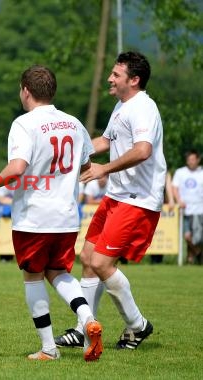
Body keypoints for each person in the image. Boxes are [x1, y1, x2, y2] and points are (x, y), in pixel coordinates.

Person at [0, 65, 102, 361]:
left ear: (25, 91)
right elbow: (85, 166)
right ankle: (87, 320)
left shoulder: (24, 124)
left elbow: (18, 168)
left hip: (34, 216)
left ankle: (48, 348)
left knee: (33, 277)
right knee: (58, 272)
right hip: (67, 216)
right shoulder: (73, 123)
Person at [55, 51, 165, 351]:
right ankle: (83, 330)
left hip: (138, 199)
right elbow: (106, 141)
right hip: (116, 196)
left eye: (116, 75)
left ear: (134, 80)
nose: (110, 79)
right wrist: (70, 153)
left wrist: (103, 167)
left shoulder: (143, 108)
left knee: (102, 262)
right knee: (89, 259)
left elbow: (143, 150)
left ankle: (138, 326)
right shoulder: (122, 105)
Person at [172, 150, 203, 264]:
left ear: (198, 160)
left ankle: (191, 258)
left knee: (198, 238)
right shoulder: (180, 172)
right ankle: (198, 253)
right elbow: (174, 187)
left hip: (200, 210)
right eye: (189, 159)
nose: (191, 162)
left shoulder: (201, 173)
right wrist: (178, 200)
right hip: (185, 210)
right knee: (187, 236)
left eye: (193, 159)